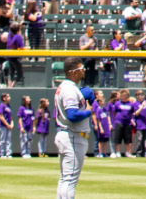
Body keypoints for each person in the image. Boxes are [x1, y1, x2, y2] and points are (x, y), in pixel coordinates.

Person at [54, 60, 96, 199]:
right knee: (69, 180)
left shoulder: (67, 87)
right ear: (74, 72)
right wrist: (89, 111)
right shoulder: (70, 89)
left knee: (65, 179)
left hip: (68, 134)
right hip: (72, 135)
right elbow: (72, 115)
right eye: (81, 68)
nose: (84, 70)